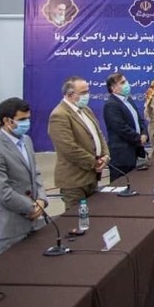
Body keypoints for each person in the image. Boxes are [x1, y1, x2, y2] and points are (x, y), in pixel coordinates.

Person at [0, 97, 48, 253]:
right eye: (22, 119)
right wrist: (31, 207)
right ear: (7, 121)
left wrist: (42, 199)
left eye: (28, 118)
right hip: (11, 226)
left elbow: (35, 173)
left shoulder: (27, 141)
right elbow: (2, 192)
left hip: (36, 222)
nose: (27, 123)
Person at [48, 76, 110, 210]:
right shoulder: (59, 115)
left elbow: (98, 135)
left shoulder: (86, 110)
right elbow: (68, 148)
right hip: (74, 180)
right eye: (83, 92)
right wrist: (94, 162)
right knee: (77, 218)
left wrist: (105, 155)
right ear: (71, 95)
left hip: (92, 177)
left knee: (95, 215)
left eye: (88, 91)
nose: (87, 95)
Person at [103, 72, 148, 180]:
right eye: (122, 82)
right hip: (122, 154)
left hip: (135, 150)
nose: (127, 84)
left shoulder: (128, 99)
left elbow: (139, 120)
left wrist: (144, 133)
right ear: (113, 88)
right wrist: (138, 138)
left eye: (126, 81)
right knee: (122, 183)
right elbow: (120, 128)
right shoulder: (111, 105)